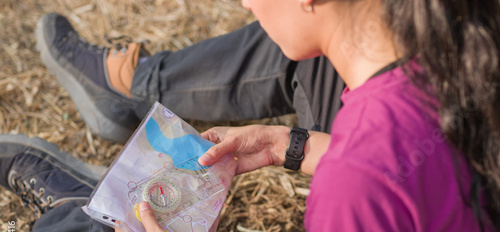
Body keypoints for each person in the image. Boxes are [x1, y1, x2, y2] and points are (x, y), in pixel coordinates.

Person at [3, 1, 500, 232]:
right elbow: (414, 174)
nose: (245, 4)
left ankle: (77, 214)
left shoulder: (358, 176)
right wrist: (286, 143)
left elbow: (375, 177)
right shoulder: (462, 55)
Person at [36, 12, 345, 144]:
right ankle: (137, 84)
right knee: (312, 41)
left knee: (308, 40)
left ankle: (135, 86)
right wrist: (285, 148)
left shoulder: (355, 187)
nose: (246, 4)